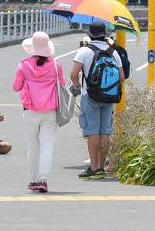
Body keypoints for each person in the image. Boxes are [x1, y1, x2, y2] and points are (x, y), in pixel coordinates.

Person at [71, 21, 125, 180]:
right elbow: (121, 77)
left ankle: (94, 168)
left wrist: (76, 86)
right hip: (109, 97)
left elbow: (74, 74)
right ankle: (101, 166)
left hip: (91, 96)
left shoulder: (84, 51)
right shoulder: (112, 52)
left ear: (89, 34)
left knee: (92, 131)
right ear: (104, 34)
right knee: (105, 132)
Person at [13, 31, 65, 192]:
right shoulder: (56, 65)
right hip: (50, 110)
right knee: (47, 147)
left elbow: (16, 87)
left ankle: (33, 179)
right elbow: (62, 84)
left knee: (33, 147)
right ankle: (44, 179)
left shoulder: (24, 65)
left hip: (30, 110)